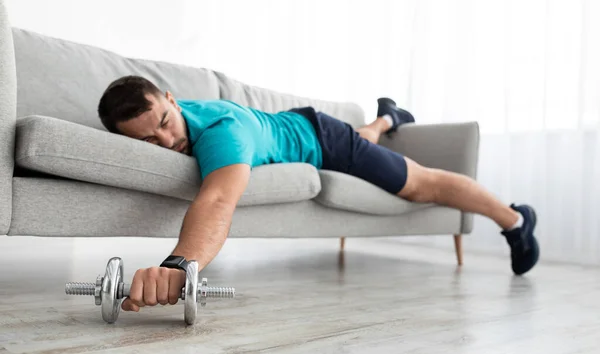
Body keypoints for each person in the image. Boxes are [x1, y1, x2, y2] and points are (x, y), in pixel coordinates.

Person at [97, 75, 540, 313]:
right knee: (368, 137)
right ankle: (385, 120)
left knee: (421, 185)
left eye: (164, 123)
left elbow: (216, 201)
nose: (166, 139)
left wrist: (179, 265)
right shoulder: (180, 120)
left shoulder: (221, 133)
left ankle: (516, 219)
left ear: (172, 100)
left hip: (322, 139)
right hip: (291, 127)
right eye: (147, 141)